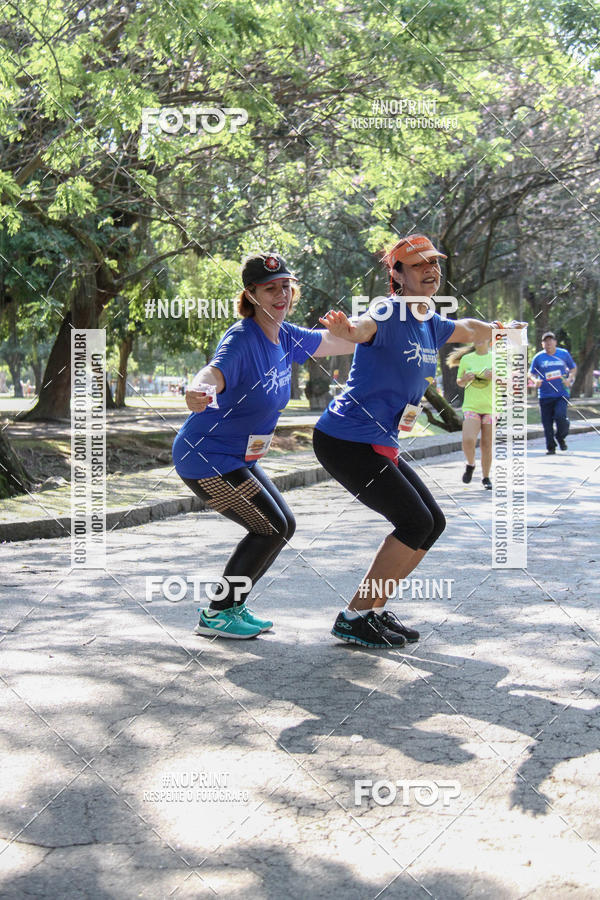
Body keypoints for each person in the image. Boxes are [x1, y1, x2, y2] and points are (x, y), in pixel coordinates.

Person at [313, 234, 525, 649]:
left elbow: (466, 327)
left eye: (434, 263)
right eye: (418, 264)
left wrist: (499, 330)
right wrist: (349, 329)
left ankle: (372, 610)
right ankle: (354, 615)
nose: (431, 269)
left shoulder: (429, 319)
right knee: (415, 522)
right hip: (346, 439)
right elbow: (364, 328)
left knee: (433, 523)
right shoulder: (388, 309)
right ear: (397, 274)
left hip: (377, 441)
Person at [172, 252, 355, 639]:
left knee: (282, 525)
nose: (281, 294)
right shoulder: (243, 338)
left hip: (239, 456)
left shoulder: (286, 336)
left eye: (286, 286)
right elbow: (214, 371)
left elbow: (336, 342)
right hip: (206, 457)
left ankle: (232, 606)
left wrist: (375, 328)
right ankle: (217, 614)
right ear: (251, 294)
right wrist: (199, 389)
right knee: (270, 527)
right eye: (271, 288)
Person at [448, 340, 494, 489]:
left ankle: (486, 477)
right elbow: (459, 382)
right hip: (471, 406)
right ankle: (470, 464)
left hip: (491, 407)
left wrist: (495, 377)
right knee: (468, 439)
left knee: (487, 444)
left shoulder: (497, 359)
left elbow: (507, 381)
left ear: (490, 341)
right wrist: (465, 379)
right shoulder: (467, 359)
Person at [529, 332, 576, 454]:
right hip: (545, 395)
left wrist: (569, 379)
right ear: (542, 344)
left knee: (561, 417)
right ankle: (551, 447)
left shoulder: (563, 354)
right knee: (547, 423)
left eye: (551, 340)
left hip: (561, 393)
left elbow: (573, 368)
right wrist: (535, 380)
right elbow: (531, 373)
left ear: (555, 342)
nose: (548, 343)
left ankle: (560, 437)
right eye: (545, 341)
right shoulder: (538, 357)